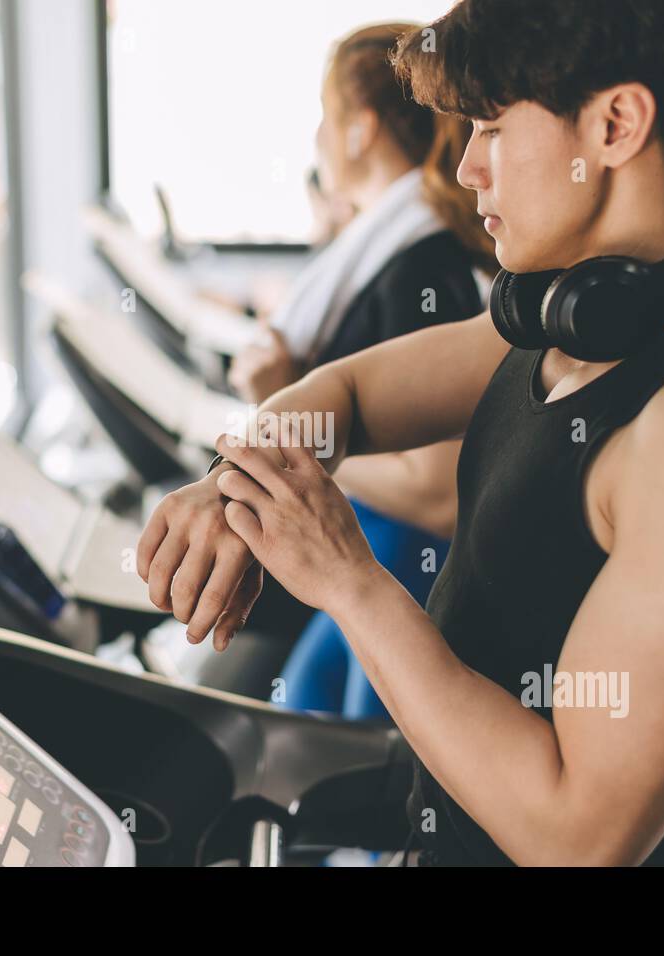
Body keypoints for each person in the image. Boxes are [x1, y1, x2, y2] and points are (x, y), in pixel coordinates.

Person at [137, 0, 664, 866]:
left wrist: (349, 580)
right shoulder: (577, 315)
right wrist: (233, 479)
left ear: (617, 124)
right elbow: (346, 392)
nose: (467, 168)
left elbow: (576, 835)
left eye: (491, 128)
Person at [222, 22, 497, 720]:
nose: (317, 139)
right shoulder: (387, 248)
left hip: (402, 563)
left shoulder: (421, 265)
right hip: (373, 550)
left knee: (358, 783)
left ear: (360, 130)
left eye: (326, 117)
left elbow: (436, 491)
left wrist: (283, 434)